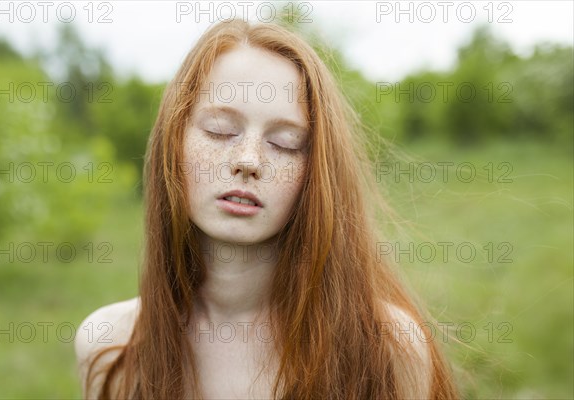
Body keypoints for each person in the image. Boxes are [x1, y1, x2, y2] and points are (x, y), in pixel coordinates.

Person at [75, 19, 458, 399]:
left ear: (316, 173)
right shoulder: (111, 346)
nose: (248, 160)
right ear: (173, 142)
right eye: (220, 131)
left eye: (285, 143)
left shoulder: (387, 347)